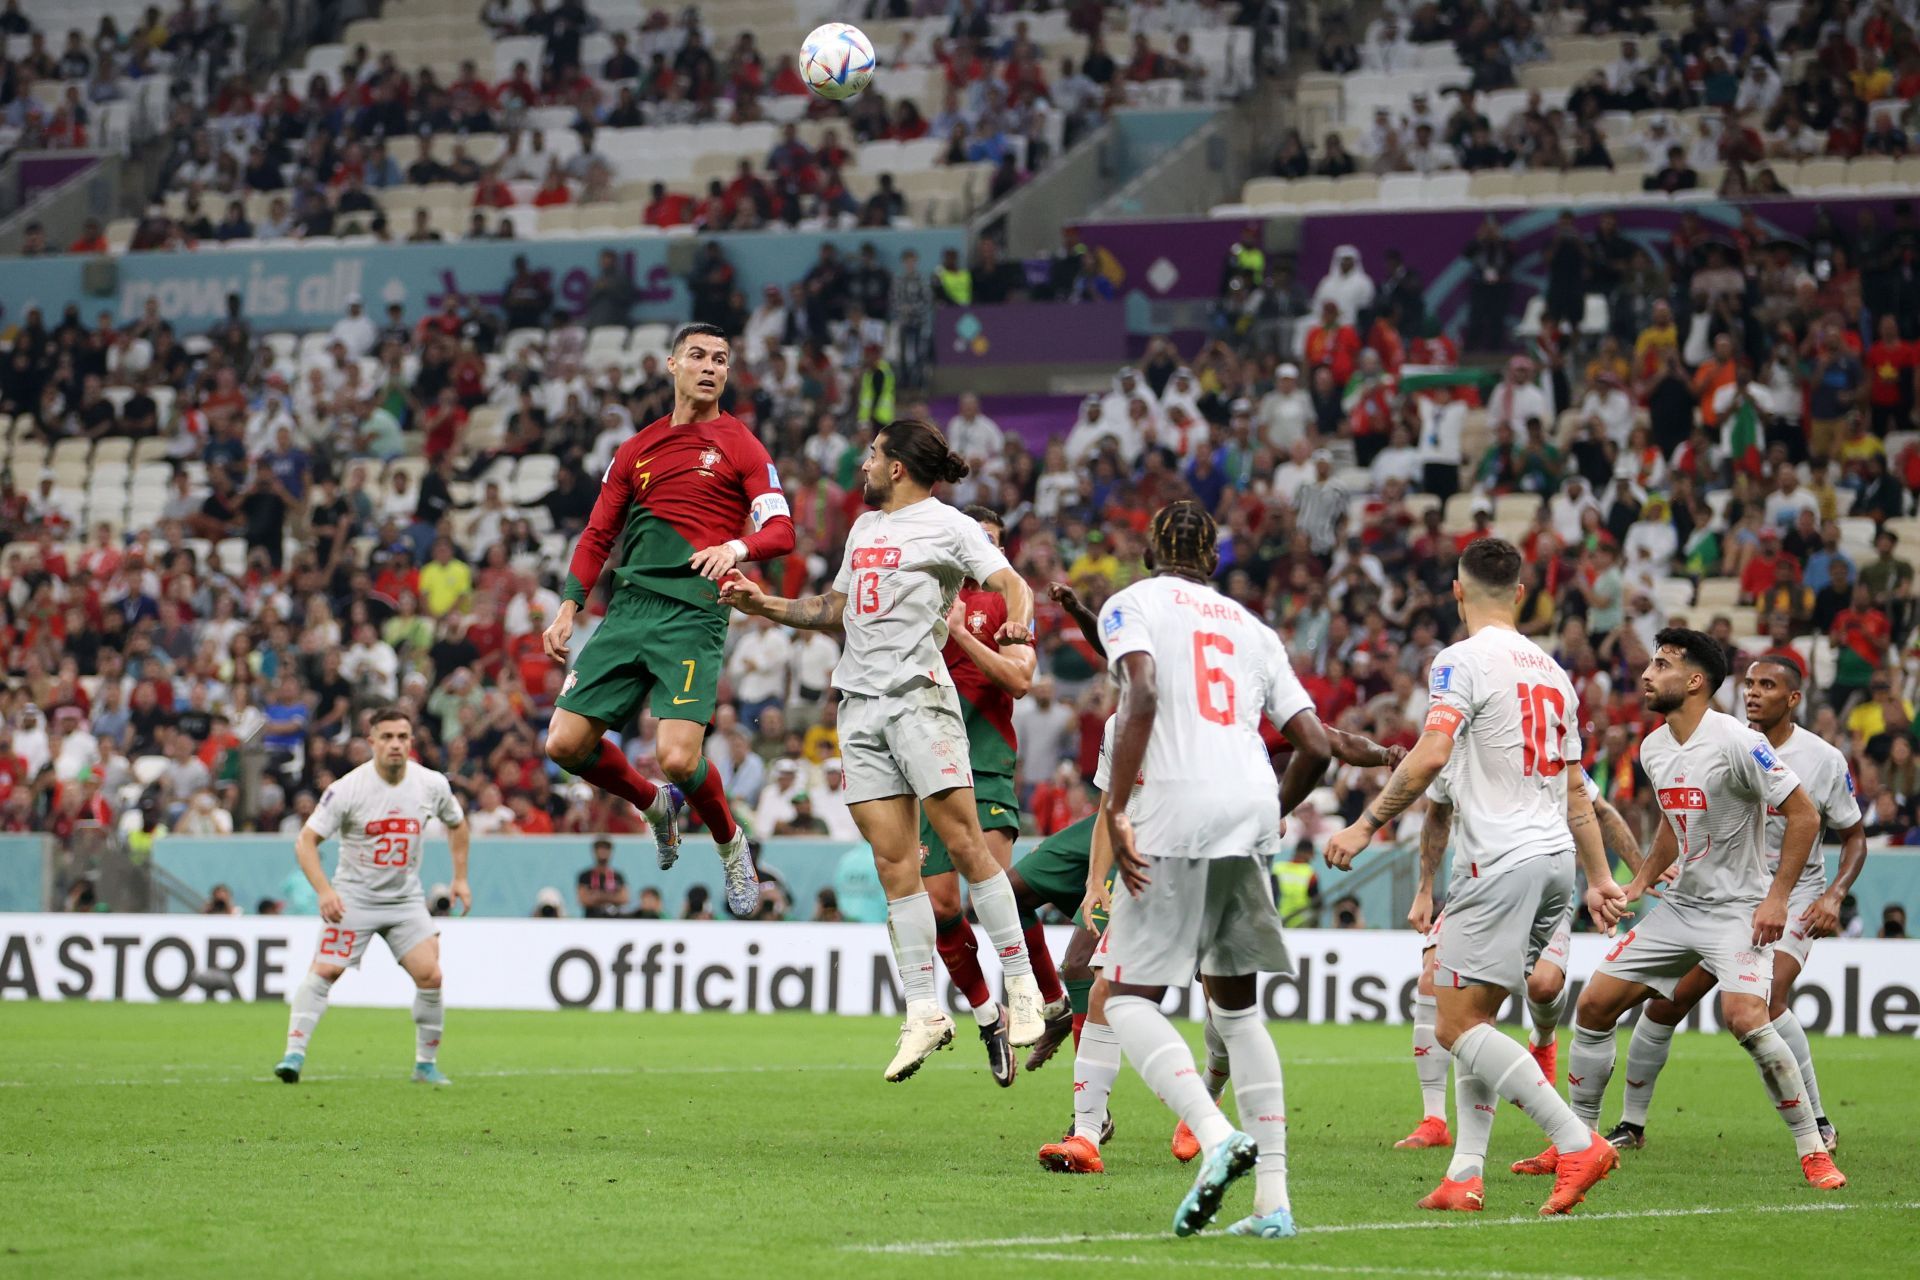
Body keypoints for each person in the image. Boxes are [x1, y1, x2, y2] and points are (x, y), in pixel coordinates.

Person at [1030, 572, 1389, 1179]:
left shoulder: (1218, 712)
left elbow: (1322, 739)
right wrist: (1096, 882)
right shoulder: (1127, 722)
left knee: (1213, 1004)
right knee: (1111, 987)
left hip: (1207, 848)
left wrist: (1381, 756)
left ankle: (1209, 1105)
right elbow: (1104, 808)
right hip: (1161, 857)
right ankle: (1090, 1132)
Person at [719, 419, 1047, 1079]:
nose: (862, 464)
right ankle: (924, 1010)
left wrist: (1018, 616)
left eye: (871, 454)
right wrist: (764, 606)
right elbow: (833, 608)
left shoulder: (949, 524)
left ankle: (1022, 986)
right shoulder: (865, 529)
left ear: (897, 466)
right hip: (858, 708)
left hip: (918, 699)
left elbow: (1015, 583)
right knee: (895, 865)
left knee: (964, 845)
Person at [1326, 538, 1627, 1216]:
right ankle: (1465, 1174)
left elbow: (1433, 753)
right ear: (1522, 594)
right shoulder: (1554, 673)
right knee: (1477, 1015)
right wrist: (1599, 876)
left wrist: (1365, 824)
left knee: (1455, 1026)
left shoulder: (1459, 661)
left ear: (1456, 592)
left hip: (1504, 861)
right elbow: (1578, 792)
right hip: (1554, 862)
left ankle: (1576, 1140)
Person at [1080, 499, 1337, 1240]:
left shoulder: (1131, 604)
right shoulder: (1252, 629)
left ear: (1149, 548)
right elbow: (1315, 746)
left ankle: (1214, 1134)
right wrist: (1271, 811)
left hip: (1176, 811)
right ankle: (1275, 1203)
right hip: (1249, 809)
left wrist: (1120, 809)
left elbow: (1144, 694)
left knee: (1125, 995)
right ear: (1214, 557)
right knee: (1237, 1011)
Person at [1558, 628, 1847, 1191]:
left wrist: (1777, 899)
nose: (1646, 674)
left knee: (1745, 1017)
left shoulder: (1739, 741)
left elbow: (1805, 815)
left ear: (1694, 681)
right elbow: (1673, 821)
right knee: (1593, 1007)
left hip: (1738, 909)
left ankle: (1813, 1150)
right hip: (1681, 907)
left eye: (1661, 665)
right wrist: (1638, 880)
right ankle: (1579, 1144)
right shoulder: (1653, 746)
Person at [542, 323, 795, 918]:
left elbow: (782, 531)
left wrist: (736, 549)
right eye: (700, 356)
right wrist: (568, 604)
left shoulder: (742, 445)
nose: (711, 367)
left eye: (722, 360)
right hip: (629, 610)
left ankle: (732, 845)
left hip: (693, 612)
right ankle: (656, 805)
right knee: (564, 743)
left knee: (680, 756)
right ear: (671, 364)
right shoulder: (635, 449)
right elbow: (597, 532)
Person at [1606, 656, 1866, 1154]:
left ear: (1793, 699)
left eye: (1768, 686)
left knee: (1764, 1003)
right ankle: (1631, 1126)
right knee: (1664, 1003)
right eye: (1749, 684)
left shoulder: (1824, 759)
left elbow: (1854, 837)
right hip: (1720, 893)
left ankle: (1817, 1121)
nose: (1753, 693)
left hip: (1791, 897)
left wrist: (1833, 895)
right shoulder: (1720, 741)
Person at [1396, 768, 1647, 1151]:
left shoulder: (1547, 736)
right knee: (1434, 980)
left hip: (1541, 883)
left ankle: (1544, 1039)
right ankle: (1435, 1120)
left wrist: (1642, 871)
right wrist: (1425, 889)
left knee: (1543, 986)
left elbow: (1596, 807)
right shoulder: (1457, 740)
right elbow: (1437, 812)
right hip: (1476, 889)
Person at [915, 505, 1056, 1087]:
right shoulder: (922, 591)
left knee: (996, 893)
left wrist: (957, 635)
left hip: (987, 761)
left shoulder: (1007, 604)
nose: (984, 553)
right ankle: (986, 1014)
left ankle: (1048, 998)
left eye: (993, 543)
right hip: (926, 762)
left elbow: (1020, 680)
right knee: (941, 908)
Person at [275, 709, 470, 1087]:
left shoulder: (431, 784)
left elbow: (458, 824)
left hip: (404, 900)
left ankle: (425, 1065)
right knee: (326, 970)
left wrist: (460, 878)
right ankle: (293, 1055)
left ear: (411, 741)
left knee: (431, 974)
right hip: (354, 898)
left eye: (402, 736)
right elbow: (306, 841)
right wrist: (325, 891)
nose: (395, 744)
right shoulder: (348, 789)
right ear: (372, 742)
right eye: (387, 737)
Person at [576, 836, 630, 918]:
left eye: (606, 849)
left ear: (611, 852)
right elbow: (583, 900)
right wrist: (612, 897)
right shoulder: (585, 876)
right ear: (594, 852)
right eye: (600, 849)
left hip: (615, 920)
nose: (603, 852)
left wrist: (596, 896)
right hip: (592, 919)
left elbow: (624, 898)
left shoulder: (618, 876)